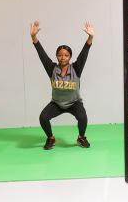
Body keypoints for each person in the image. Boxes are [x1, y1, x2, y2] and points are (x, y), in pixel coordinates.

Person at [30, 20, 94, 150]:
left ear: (70, 57)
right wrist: (34, 37)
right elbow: (42, 55)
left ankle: (81, 137)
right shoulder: (51, 68)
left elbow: (84, 54)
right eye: (60, 55)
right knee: (43, 117)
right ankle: (50, 138)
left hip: (74, 102)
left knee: (83, 117)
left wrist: (90, 37)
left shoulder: (76, 68)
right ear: (56, 56)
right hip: (57, 103)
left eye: (66, 55)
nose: (63, 57)